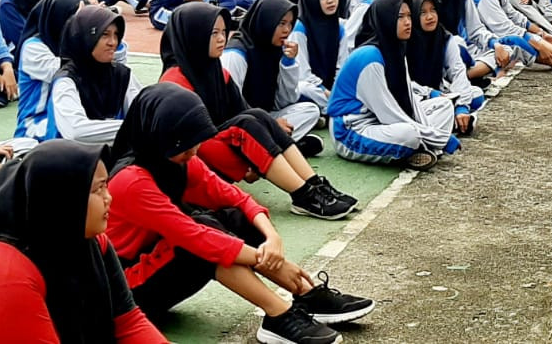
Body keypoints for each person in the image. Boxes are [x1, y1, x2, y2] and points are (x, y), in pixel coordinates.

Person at [106, 85, 373, 343]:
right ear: (159, 135)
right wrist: (265, 258)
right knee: (203, 239)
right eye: (184, 145)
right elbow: (193, 237)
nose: (194, 151)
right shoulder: (130, 181)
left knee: (234, 217)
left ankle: (307, 294)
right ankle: (278, 314)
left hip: (155, 264)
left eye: (195, 142)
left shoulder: (177, 159)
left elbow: (237, 198)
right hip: (125, 292)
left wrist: (272, 238)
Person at [0, 140, 164, 344]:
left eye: (106, 186)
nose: (108, 198)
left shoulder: (89, 241)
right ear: (64, 198)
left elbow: (128, 323)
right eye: (97, 190)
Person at [159, 2, 354, 220]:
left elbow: (243, 109)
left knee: (258, 116)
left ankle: (314, 183)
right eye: (214, 33)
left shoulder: (215, 70)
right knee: (246, 124)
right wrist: (243, 167)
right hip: (191, 163)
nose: (222, 39)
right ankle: (303, 195)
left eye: (224, 32)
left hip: (222, 143)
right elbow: (195, 145)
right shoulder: (175, 83)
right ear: (193, 35)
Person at [327, 0, 459, 169]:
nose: (408, 22)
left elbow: (410, 102)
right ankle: (415, 148)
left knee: (444, 106)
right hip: (351, 131)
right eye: (400, 17)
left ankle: (418, 150)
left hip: (381, 123)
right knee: (409, 134)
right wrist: (439, 137)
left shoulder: (396, 49)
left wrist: (432, 135)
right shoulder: (369, 58)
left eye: (409, 16)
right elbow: (388, 113)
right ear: (385, 19)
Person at [226, 0, 323, 150]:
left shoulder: (274, 49)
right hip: (238, 121)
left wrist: (288, 63)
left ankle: (273, 147)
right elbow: (229, 106)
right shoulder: (236, 54)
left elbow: (284, 101)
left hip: (263, 116)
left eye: (290, 24)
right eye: (281, 23)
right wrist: (269, 123)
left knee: (310, 110)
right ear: (265, 21)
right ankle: (281, 147)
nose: (287, 30)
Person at [45, 6, 141, 144]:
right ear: (86, 37)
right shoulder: (66, 81)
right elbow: (76, 131)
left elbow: (143, 113)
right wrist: (135, 128)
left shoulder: (122, 75)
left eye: (116, 35)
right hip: (67, 155)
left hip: (110, 153)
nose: (113, 42)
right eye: (105, 34)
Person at [405, 0, 481, 136]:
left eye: (433, 10)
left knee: (476, 95)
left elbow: (457, 72)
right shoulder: (404, 41)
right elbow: (402, 82)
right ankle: (447, 122)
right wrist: (429, 93)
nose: (430, 17)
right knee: (442, 106)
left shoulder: (443, 37)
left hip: (440, 93)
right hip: (414, 97)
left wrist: (462, 107)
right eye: (423, 13)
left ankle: (453, 118)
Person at [12, 0, 85, 141]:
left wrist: (104, 26)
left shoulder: (71, 44)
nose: (80, 25)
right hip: (36, 123)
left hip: (69, 114)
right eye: (76, 19)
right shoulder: (33, 48)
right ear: (58, 18)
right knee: (77, 131)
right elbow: (69, 72)